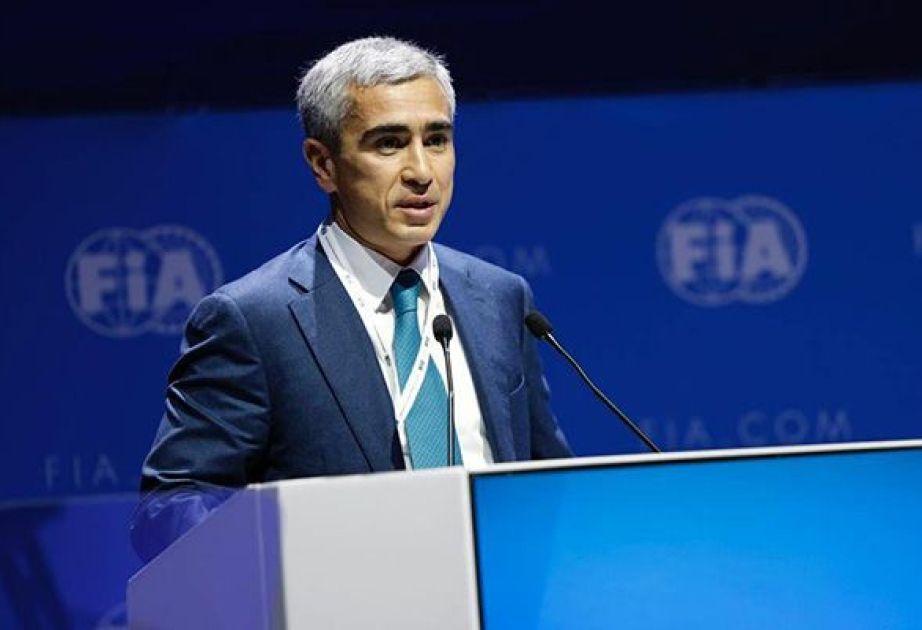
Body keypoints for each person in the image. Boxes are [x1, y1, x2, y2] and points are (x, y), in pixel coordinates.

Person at [131, 36, 571, 562]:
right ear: (323, 164)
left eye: (436, 139)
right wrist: (302, 558)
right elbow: (170, 510)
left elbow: (549, 484)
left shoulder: (499, 297)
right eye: (388, 144)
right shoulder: (254, 320)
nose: (421, 171)